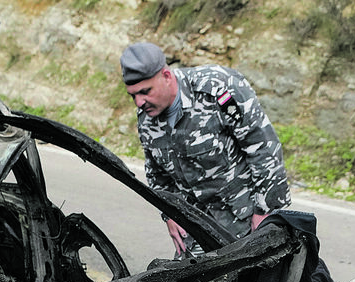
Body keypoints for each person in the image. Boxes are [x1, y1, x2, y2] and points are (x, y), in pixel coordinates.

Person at [120, 42, 290, 257]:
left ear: (166, 75)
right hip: (196, 227)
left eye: (145, 91)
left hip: (246, 219)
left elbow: (264, 148)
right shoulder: (146, 117)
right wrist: (169, 215)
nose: (139, 102)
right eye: (132, 95)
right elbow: (158, 174)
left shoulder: (217, 88)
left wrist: (266, 212)